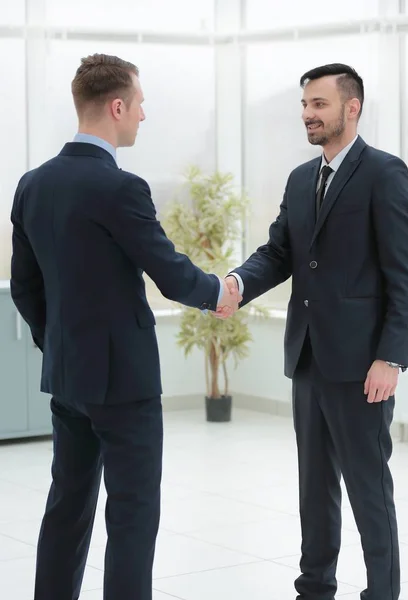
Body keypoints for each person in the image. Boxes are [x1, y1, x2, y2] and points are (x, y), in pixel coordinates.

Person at [10, 53, 240, 600]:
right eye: (139, 105)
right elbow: (170, 273)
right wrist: (218, 291)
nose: (142, 116)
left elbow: (25, 287)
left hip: (68, 377)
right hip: (126, 385)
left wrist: (60, 343)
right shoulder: (120, 188)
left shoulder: (32, 184)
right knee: (133, 518)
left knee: (66, 508)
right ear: (117, 106)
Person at [216, 63, 408, 600]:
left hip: (362, 366)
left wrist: (390, 357)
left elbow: (405, 274)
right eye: (305, 105)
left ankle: (383, 592)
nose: (308, 114)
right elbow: (280, 253)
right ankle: (315, 587)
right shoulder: (300, 178)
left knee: (368, 489)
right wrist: (237, 282)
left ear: (351, 108)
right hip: (307, 358)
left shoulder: (385, 173)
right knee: (315, 488)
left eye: (319, 105)